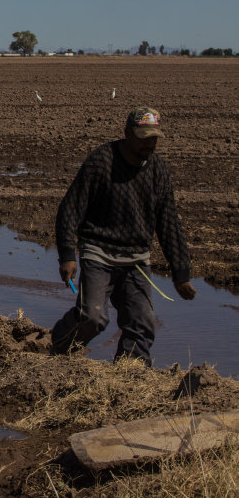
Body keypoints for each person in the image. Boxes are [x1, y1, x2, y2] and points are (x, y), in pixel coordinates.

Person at [51, 106, 196, 365]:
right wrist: (67, 255)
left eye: (154, 138)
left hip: (136, 259)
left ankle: (131, 373)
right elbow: (70, 209)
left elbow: (168, 222)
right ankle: (58, 348)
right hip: (99, 251)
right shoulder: (102, 161)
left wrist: (180, 273)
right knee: (93, 318)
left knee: (142, 323)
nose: (149, 145)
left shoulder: (158, 170)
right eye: (144, 138)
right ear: (128, 134)